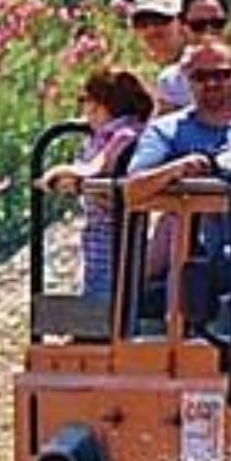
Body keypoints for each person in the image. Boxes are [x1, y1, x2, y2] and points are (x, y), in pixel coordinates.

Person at [38, 67, 154, 299]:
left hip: (114, 236)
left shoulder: (124, 135)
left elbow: (95, 169)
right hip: (100, 232)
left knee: (106, 292)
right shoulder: (106, 134)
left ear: (100, 103)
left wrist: (58, 173)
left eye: (85, 100)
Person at [120, 40, 231, 201]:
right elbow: (132, 190)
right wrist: (177, 169)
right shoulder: (165, 130)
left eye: (220, 75)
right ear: (187, 79)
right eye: (200, 76)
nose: (211, 83)